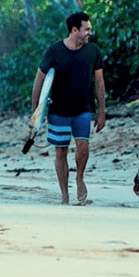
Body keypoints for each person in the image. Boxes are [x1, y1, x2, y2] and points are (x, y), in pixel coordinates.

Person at [31, 11, 105, 205]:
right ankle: (65, 195)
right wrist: (36, 111)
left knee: (83, 147)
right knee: (61, 152)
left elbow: (99, 82)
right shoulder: (54, 51)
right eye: (86, 29)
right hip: (58, 112)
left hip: (83, 109)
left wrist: (102, 111)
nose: (90, 32)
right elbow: (39, 81)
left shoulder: (93, 51)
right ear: (74, 30)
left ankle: (79, 178)